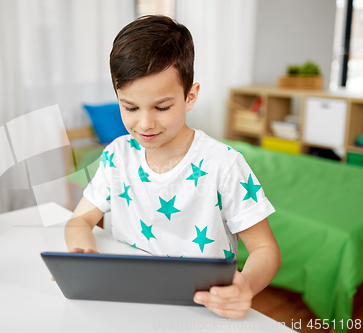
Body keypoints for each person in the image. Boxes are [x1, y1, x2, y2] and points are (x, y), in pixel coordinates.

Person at [64, 15, 281, 319]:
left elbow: (265, 251)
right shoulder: (116, 156)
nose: (145, 123)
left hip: (201, 311)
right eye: (130, 107)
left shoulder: (224, 164)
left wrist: (244, 285)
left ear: (190, 96)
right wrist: (82, 256)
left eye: (162, 107)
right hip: (129, 304)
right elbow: (79, 220)